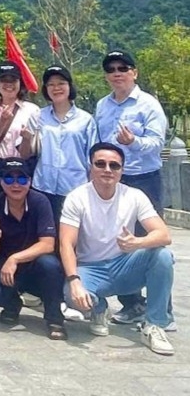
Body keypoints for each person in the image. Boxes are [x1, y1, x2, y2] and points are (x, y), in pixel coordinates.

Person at [61, 142, 175, 355]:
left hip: (124, 266)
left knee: (163, 256)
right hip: (90, 268)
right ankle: (98, 309)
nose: (107, 170)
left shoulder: (134, 196)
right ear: (90, 166)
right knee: (71, 295)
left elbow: (164, 235)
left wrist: (137, 243)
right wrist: (74, 281)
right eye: (100, 164)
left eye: (114, 165)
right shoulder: (77, 197)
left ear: (122, 170)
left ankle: (154, 325)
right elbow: (66, 243)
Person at [93, 50, 169, 327]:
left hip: (144, 178)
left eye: (122, 68)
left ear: (134, 73)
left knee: (150, 242)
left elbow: (157, 143)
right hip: (113, 179)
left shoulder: (148, 105)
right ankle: (132, 303)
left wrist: (133, 142)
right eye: (111, 69)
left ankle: (162, 309)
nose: (117, 73)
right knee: (119, 240)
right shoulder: (102, 106)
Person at [0, 158, 67, 340]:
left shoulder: (40, 202)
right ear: (0, 182)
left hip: (35, 264)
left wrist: (15, 259)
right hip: (6, 268)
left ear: (30, 181)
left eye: (21, 179)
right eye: (9, 179)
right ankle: (12, 304)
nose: (16, 185)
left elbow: (47, 244)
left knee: (50, 264)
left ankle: (54, 318)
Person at [19, 65, 98, 221]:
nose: (56, 88)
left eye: (61, 83)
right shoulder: (38, 117)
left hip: (75, 187)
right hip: (43, 186)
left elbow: (93, 158)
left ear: (70, 86)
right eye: (51, 84)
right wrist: (26, 139)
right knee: (45, 232)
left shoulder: (86, 120)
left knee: (73, 232)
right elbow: (24, 154)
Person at [0, 61, 40, 194]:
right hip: (0, 165)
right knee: (0, 203)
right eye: (3, 80)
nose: (8, 84)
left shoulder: (32, 110)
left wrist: (26, 138)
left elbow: (33, 149)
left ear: (20, 82)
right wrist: (2, 120)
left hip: (24, 166)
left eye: (13, 80)